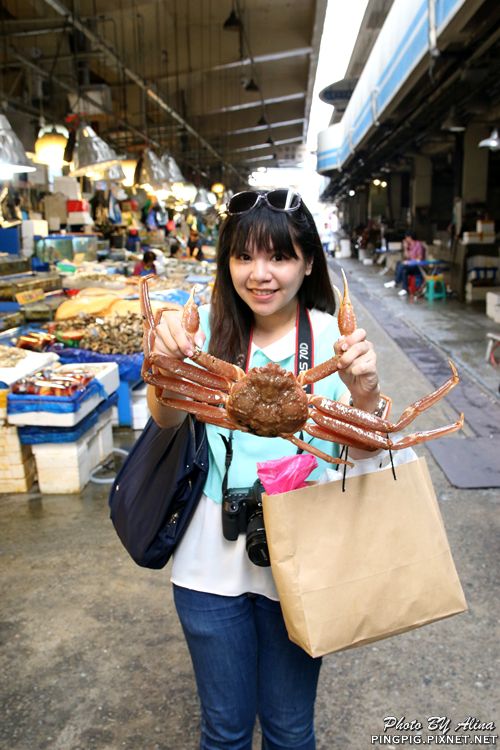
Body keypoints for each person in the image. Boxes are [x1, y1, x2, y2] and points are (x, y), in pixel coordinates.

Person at [146, 188, 382, 750]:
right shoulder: (200, 328)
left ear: (307, 261)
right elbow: (164, 420)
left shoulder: (335, 339)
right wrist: (166, 367)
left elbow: (365, 451)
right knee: (224, 730)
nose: (261, 274)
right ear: (226, 262)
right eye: (243, 256)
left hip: (305, 554)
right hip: (209, 555)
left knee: (290, 728)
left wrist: (367, 396)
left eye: (279, 256)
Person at [386, 231, 426, 295]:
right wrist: (405, 248)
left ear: (410, 237)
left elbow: (419, 258)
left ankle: (396, 282)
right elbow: (407, 256)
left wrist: (410, 261)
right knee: (402, 267)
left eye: (406, 237)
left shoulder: (418, 244)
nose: (405, 239)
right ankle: (404, 289)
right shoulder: (409, 246)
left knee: (402, 265)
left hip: (417, 266)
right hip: (410, 266)